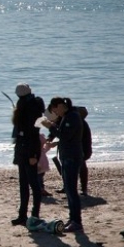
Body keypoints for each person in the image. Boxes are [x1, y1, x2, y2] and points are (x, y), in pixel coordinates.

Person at [42, 97, 84, 232]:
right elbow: (63, 135)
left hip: (72, 157)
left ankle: (76, 221)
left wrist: (51, 126)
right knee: (69, 190)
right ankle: (72, 219)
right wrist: (51, 137)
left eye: (55, 110)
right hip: (67, 156)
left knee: (71, 190)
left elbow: (65, 135)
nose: (56, 113)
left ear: (60, 106)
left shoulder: (72, 116)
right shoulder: (67, 116)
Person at [10, 83, 46, 226]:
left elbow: (32, 132)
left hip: (28, 148)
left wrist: (33, 155)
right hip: (23, 147)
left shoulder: (30, 107)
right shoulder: (28, 104)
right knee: (24, 184)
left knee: (33, 184)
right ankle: (23, 215)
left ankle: (34, 215)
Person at [78, 106, 93, 196]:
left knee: (81, 169)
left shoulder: (81, 124)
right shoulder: (82, 123)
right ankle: (83, 189)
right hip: (81, 150)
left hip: (82, 150)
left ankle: (84, 189)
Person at [38, 132, 53, 197]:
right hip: (39, 165)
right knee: (38, 178)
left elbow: (46, 148)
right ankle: (40, 189)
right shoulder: (37, 151)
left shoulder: (41, 149)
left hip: (42, 165)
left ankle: (41, 189)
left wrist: (48, 145)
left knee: (40, 177)